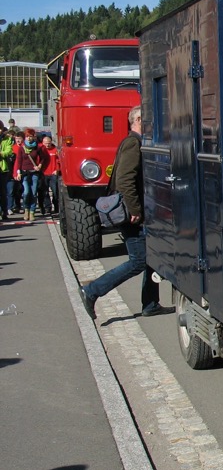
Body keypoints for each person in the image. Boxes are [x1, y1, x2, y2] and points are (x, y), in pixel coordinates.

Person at [79, 106, 171, 320]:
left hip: (133, 211)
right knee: (138, 260)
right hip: (131, 214)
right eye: (148, 120)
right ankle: (92, 291)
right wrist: (135, 210)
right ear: (138, 120)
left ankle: (150, 303)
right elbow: (124, 180)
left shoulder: (133, 141)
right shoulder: (133, 143)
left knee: (149, 257)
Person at [12, 127, 47, 221]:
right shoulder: (21, 148)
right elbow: (19, 161)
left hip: (34, 172)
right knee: (26, 192)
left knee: (34, 192)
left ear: (33, 137)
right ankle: (26, 209)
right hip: (24, 173)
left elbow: (43, 158)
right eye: (27, 136)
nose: (29, 138)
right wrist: (18, 172)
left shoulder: (37, 147)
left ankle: (32, 211)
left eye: (30, 136)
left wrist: (39, 166)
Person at [39, 134, 61, 216]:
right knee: (45, 192)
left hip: (53, 173)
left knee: (55, 191)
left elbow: (59, 161)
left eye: (49, 143)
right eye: (45, 143)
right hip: (44, 173)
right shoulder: (41, 150)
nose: (47, 145)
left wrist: (57, 170)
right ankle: (48, 207)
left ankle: (56, 206)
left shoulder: (55, 150)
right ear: (42, 143)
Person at [0, 126, 12, 221]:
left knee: (3, 192)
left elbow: (9, 152)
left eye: (1, 128)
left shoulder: (7, 139)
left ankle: (4, 211)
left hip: (3, 169)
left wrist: (1, 154)